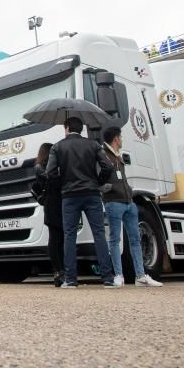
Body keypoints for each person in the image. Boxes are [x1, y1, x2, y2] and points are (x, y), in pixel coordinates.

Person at [45, 117, 116, 289]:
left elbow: (50, 172)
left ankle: (71, 280)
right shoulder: (93, 144)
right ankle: (107, 278)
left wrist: (62, 183)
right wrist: (98, 181)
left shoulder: (57, 146)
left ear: (66, 128)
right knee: (99, 233)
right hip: (92, 193)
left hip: (69, 196)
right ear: (81, 128)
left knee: (69, 235)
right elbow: (108, 166)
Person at [100, 127, 162, 288]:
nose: (122, 140)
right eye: (120, 137)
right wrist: (107, 190)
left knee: (135, 239)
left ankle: (140, 275)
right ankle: (118, 275)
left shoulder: (118, 157)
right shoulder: (103, 155)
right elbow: (98, 178)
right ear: (115, 139)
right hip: (114, 202)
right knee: (115, 239)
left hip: (129, 202)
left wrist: (128, 190)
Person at [30, 142, 63, 287]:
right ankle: (58, 270)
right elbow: (52, 181)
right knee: (55, 238)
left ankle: (59, 269)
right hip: (54, 202)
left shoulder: (42, 167)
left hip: (52, 203)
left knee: (57, 237)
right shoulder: (42, 169)